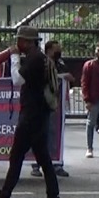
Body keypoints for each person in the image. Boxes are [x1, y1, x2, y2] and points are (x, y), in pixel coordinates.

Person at [0, 26, 62, 198]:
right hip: (38, 115)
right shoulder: (38, 58)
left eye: (19, 40)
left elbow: (17, 80)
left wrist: (14, 58)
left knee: (16, 156)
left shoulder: (34, 59)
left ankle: (4, 196)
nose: (17, 44)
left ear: (26, 42)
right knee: (43, 158)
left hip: (31, 116)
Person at [31, 40, 73, 178]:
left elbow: (68, 82)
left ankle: (57, 164)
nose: (58, 52)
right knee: (39, 134)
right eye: (56, 49)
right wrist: (62, 77)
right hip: (41, 104)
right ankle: (36, 165)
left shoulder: (60, 64)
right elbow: (41, 79)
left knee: (55, 134)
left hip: (56, 105)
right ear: (48, 50)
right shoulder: (41, 63)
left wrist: (67, 79)